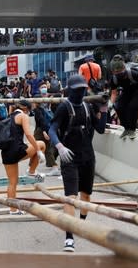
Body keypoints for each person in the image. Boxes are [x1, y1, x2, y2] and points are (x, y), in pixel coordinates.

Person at [49, 75, 107, 252]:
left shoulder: (88, 106)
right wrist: (59, 146)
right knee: (70, 197)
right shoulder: (64, 107)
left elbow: (101, 129)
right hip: (69, 157)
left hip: (88, 157)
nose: (81, 92)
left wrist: (104, 108)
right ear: (69, 90)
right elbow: (51, 129)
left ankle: (80, 224)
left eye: (83, 89)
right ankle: (70, 235)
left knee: (86, 196)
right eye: (77, 89)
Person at [2, 99, 46, 215]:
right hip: (17, 151)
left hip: (6, 153)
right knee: (41, 144)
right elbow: (28, 134)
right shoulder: (23, 116)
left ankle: (13, 210)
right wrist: (37, 150)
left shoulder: (10, 115)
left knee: (12, 182)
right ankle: (31, 171)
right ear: (26, 109)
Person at [109, 55, 138, 139]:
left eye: (120, 72)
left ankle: (132, 129)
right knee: (118, 106)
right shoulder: (114, 79)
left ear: (124, 68)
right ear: (113, 72)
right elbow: (114, 93)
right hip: (127, 91)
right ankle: (126, 129)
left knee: (133, 106)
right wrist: (111, 104)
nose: (119, 74)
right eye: (116, 73)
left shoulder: (133, 73)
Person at [33, 82, 59, 176]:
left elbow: (42, 121)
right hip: (44, 129)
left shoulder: (38, 110)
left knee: (35, 148)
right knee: (45, 148)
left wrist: (44, 131)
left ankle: (32, 168)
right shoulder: (41, 108)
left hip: (41, 130)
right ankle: (53, 166)